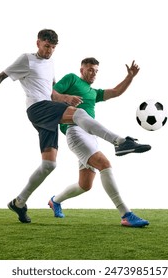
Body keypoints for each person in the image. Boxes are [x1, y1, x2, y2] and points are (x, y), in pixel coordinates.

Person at [0, 29, 151, 224]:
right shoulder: (26, 59)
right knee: (79, 114)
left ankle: (19, 202)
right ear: (37, 43)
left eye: (52, 48)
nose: (49, 51)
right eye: (46, 46)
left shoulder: (52, 65)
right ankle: (120, 142)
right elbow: (1, 75)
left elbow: (52, 91)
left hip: (51, 115)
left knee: (50, 165)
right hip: (38, 108)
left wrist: (62, 98)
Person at [48, 58, 149, 227]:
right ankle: (126, 214)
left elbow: (116, 91)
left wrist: (130, 77)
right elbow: (51, 93)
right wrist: (66, 97)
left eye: (95, 71)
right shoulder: (72, 79)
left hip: (91, 136)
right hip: (74, 131)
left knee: (85, 185)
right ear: (81, 69)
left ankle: (55, 201)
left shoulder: (94, 93)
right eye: (89, 70)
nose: (92, 73)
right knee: (105, 164)